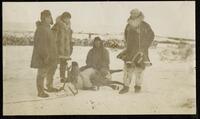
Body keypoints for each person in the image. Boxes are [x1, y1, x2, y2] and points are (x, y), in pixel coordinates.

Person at [117, 9, 155, 94]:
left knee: (139, 69)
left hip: (141, 51)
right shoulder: (128, 25)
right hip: (130, 51)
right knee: (128, 69)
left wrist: (145, 45)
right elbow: (126, 36)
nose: (132, 14)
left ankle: (138, 86)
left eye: (134, 13)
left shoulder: (145, 25)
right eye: (131, 13)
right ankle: (126, 87)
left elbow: (151, 36)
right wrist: (128, 46)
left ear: (139, 14)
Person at [30, 10, 59, 98]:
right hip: (44, 56)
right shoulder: (42, 29)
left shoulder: (47, 28)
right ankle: (40, 91)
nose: (51, 19)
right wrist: (45, 56)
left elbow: (50, 41)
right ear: (45, 18)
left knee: (50, 71)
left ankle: (49, 87)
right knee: (42, 73)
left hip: (50, 55)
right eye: (50, 17)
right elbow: (42, 45)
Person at [52, 12, 73, 83]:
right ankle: (49, 79)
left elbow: (69, 38)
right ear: (63, 18)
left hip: (66, 49)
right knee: (54, 64)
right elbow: (53, 36)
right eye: (66, 18)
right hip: (58, 48)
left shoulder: (69, 27)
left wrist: (71, 46)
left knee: (63, 64)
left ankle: (62, 78)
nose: (68, 20)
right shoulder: (57, 25)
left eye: (69, 18)